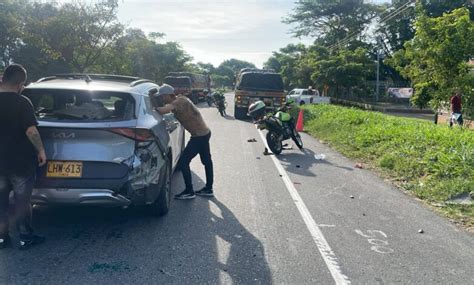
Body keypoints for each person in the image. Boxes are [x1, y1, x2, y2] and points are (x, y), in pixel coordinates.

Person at [0, 64, 46, 250]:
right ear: (20, 84)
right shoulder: (22, 102)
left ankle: (2, 238)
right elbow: (31, 131)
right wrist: (41, 151)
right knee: (22, 201)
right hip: (20, 163)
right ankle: (26, 237)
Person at [155, 84, 214, 199]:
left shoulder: (178, 102)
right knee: (207, 161)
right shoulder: (181, 99)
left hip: (199, 136)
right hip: (204, 133)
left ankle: (189, 191)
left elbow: (163, 110)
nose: (161, 99)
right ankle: (208, 188)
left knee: (183, 162)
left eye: (162, 96)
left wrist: (151, 108)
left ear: (168, 95)